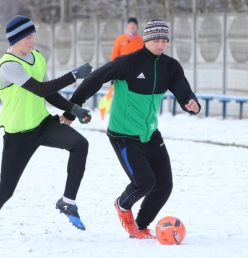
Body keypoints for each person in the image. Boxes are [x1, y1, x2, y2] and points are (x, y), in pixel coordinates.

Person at [61, 19, 201, 239]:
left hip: (151, 134)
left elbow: (183, 90)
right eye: (156, 40)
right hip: (123, 134)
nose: (161, 45)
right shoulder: (128, 63)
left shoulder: (170, 66)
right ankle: (122, 205)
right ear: (146, 39)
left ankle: (141, 226)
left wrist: (190, 103)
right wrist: (71, 110)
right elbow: (95, 79)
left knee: (164, 185)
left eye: (164, 40)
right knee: (144, 183)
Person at [0, 15, 93, 236]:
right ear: (14, 39)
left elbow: (50, 94)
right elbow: (39, 89)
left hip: (42, 124)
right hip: (18, 133)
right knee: (6, 190)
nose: (32, 40)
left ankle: (67, 201)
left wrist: (74, 110)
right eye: (28, 36)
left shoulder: (37, 57)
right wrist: (73, 75)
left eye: (33, 35)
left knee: (80, 144)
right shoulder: (8, 65)